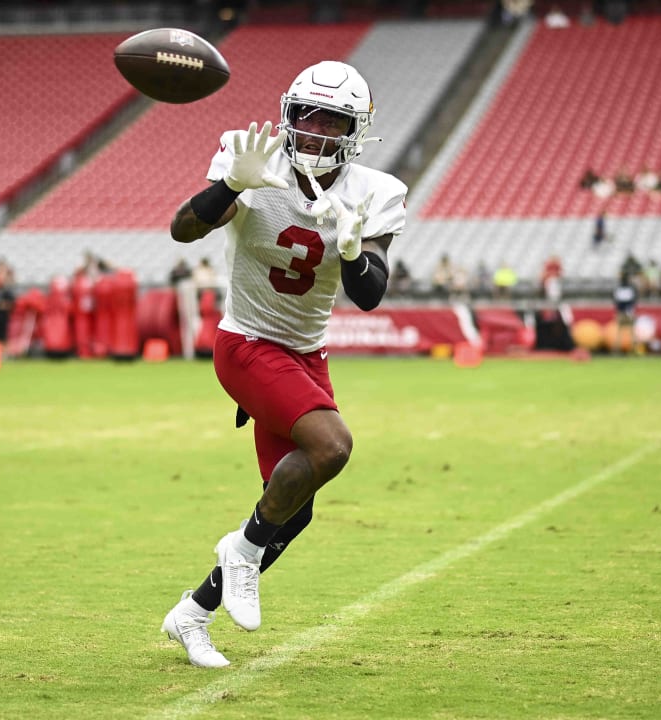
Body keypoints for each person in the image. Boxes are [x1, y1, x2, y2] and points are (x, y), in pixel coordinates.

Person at [161, 60, 407, 668]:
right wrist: (232, 187)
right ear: (287, 115)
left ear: (357, 131)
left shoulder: (375, 191)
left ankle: (192, 615)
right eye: (308, 117)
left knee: (293, 509)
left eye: (334, 122)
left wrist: (352, 247)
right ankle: (242, 554)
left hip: (306, 353)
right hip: (245, 341)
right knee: (332, 447)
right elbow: (182, 229)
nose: (318, 132)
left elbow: (370, 293)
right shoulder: (251, 159)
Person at [611, 271, 638, 355]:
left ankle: (618, 350)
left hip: (622, 311)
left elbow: (616, 300)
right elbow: (634, 300)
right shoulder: (631, 288)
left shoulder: (619, 288)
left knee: (619, 331)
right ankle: (633, 349)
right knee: (631, 331)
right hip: (629, 311)